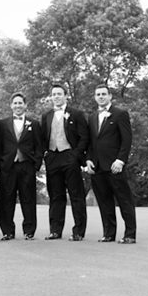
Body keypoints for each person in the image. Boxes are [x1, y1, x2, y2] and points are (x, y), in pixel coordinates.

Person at [85, 84, 137, 244]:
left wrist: (120, 160)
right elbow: (90, 142)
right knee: (104, 202)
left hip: (115, 166)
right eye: (98, 94)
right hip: (97, 167)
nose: (101, 97)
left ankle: (130, 235)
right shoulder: (92, 117)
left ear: (110, 96)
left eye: (103, 94)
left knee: (124, 201)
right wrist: (88, 159)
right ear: (95, 97)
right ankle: (108, 234)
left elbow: (127, 140)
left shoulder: (120, 114)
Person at [40, 83, 89, 241]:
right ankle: (55, 230)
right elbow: (42, 138)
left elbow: (84, 137)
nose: (56, 97)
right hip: (53, 158)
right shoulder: (46, 116)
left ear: (65, 96)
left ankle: (78, 231)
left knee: (76, 195)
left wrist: (75, 155)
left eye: (59, 94)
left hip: (70, 156)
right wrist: (46, 154)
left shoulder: (76, 114)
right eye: (54, 94)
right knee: (55, 196)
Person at [0, 93, 43, 240]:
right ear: (11, 105)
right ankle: (7, 231)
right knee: (6, 199)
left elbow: (39, 146)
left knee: (28, 199)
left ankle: (29, 231)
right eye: (15, 103)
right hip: (8, 166)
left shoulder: (34, 124)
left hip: (27, 166)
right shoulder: (2, 124)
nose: (18, 106)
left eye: (20, 103)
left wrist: (36, 165)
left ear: (25, 105)